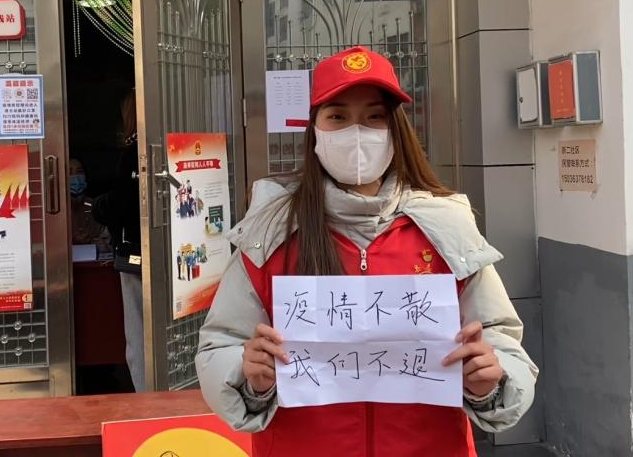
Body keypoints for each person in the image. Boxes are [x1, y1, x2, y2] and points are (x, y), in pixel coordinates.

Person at [195, 46, 538, 457]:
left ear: (396, 129)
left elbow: (501, 340)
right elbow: (221, 345)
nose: (357, 133)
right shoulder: (270, 233)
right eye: (338, 117)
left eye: (375, 117)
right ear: (315, 130)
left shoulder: (447, 229)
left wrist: (489, 380)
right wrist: (249, 376)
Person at [92, 88, 146, 393]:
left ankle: (146, 397)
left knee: (138, 337)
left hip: (135, 256)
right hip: (170, 256)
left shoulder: (133, 153)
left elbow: (120, 204)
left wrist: (98, 207)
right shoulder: (165, 147)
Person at [69, 159, 106, 245]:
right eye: (69, 173)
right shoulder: (57, 210)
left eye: (79, 172)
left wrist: (91, 241)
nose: (75, 177)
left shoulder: (96, 207)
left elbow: (107, 243)